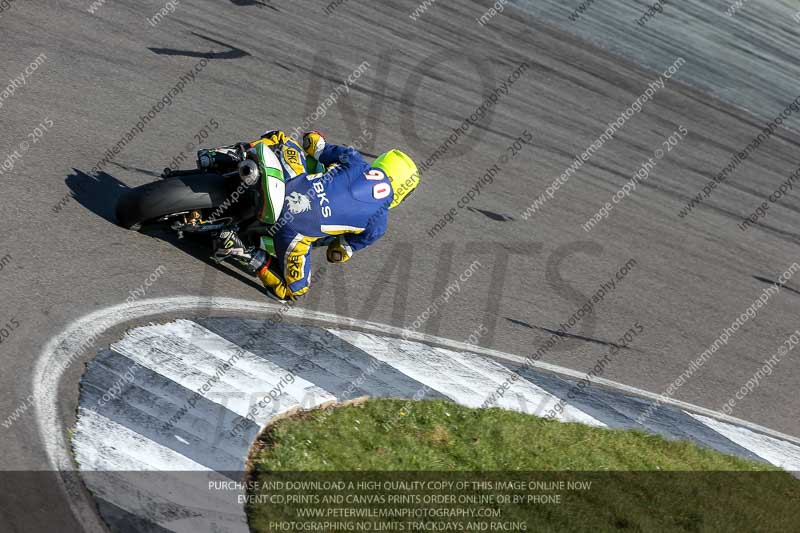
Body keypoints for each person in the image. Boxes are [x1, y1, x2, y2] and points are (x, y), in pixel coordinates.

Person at [197, 130, 420, 301]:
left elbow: (313, 144)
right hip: (294, 234)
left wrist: (314, 137)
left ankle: (219, 156)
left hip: (291, 183)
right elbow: (337, 253)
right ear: (402, 193)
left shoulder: (354, 159)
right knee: (293, 291)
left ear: (381, 162)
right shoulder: (378, 224)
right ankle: (242, 250)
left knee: (279, 138)